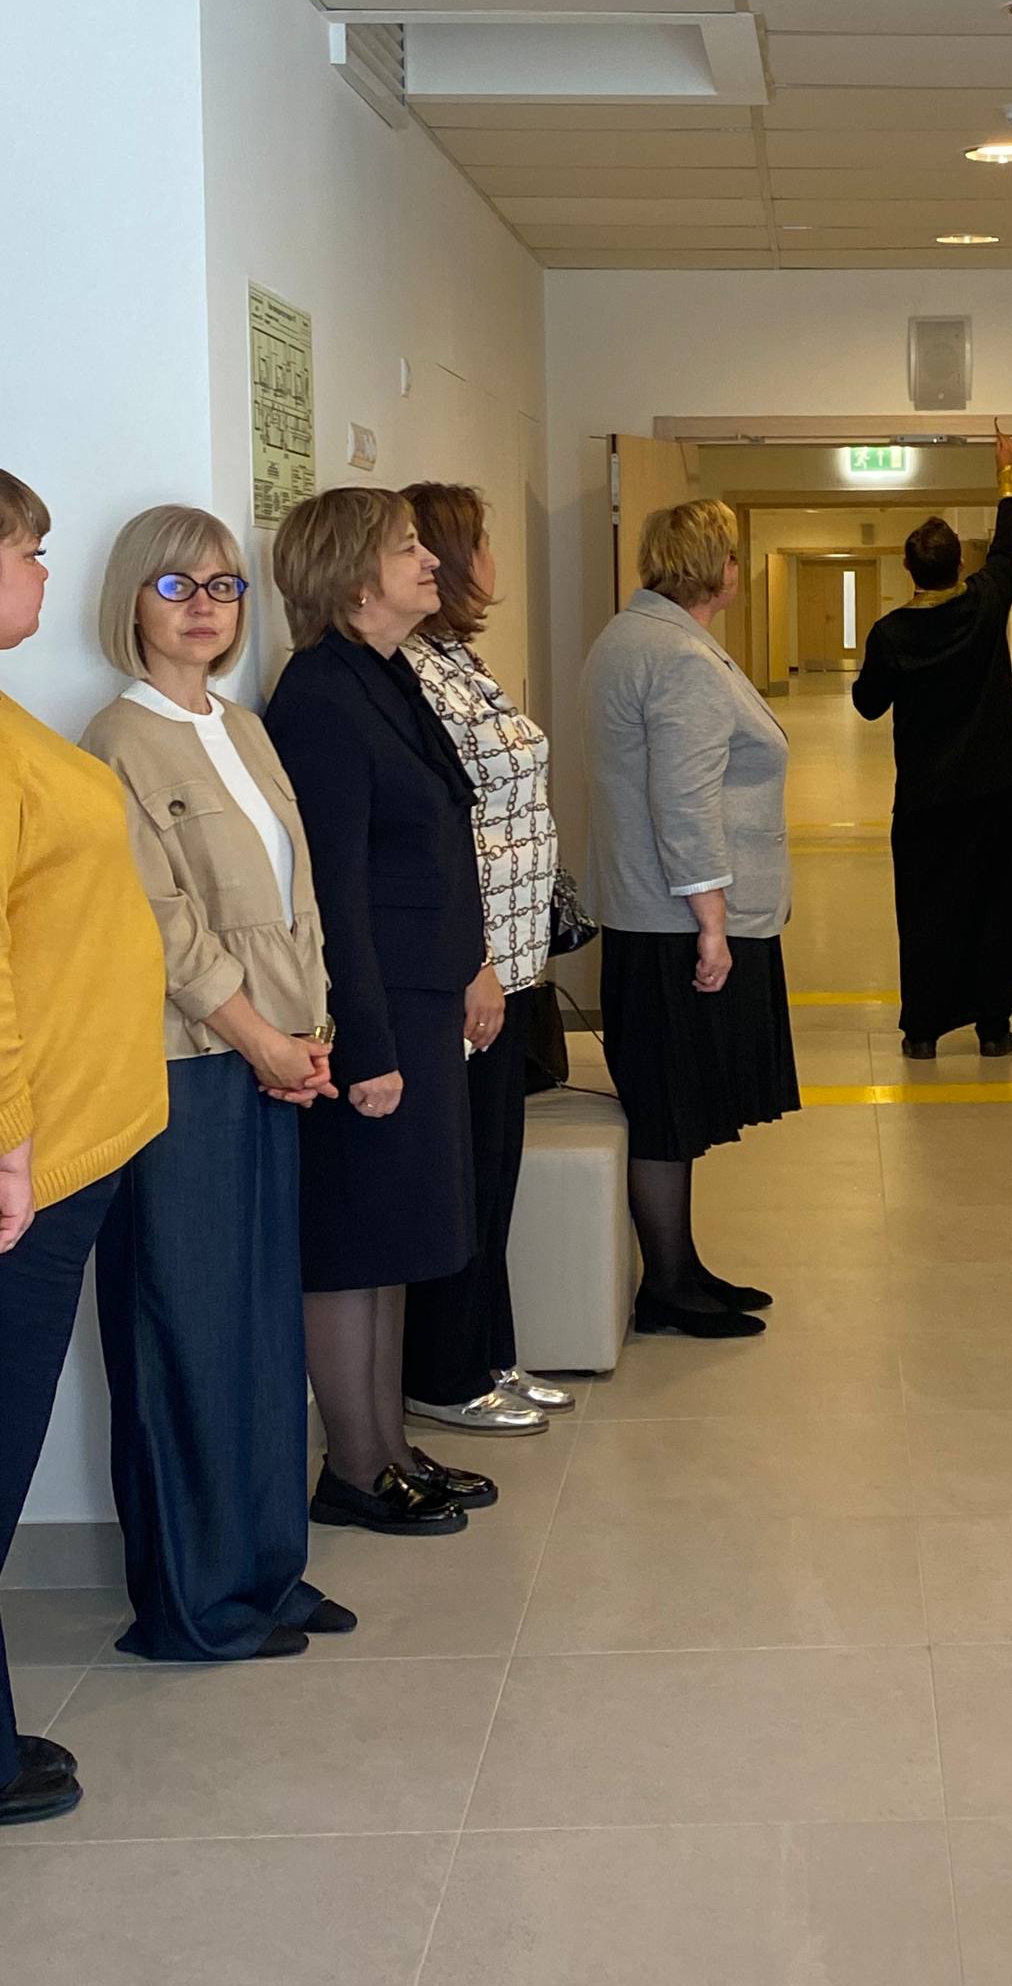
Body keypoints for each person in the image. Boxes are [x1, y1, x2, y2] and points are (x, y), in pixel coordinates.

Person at [83, 508, 354, 1659]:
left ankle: (266, 1570)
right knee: (184, 1329)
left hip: (273, 1060)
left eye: (225, 585)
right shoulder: (118, 740)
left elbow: (297, 899)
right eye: (176, 584)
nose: (204, 605)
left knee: (257, 1327)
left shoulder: (242, 726)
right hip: (188, 1069)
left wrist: (312, 1034)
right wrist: (260, 1039)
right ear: (131, 599)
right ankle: (193, 1604)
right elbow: (166, 930)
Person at [266, 487, 493, 1534]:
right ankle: (354, 1468)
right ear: (354, 576)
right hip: (375, 1007)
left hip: (418, 996)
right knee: (356, 1239)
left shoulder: (383, 674)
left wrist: (468, 965)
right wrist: (363, 1044)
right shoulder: (320, 695)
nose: (430, 561)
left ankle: (389, 1446)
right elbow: (334, 891)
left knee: (396, 1234)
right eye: (407, 549)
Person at [0, 470, 168, 1826]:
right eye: (29, 549)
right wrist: (7, 1144)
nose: (44, 573)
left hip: (70, 1140)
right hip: (28, 1162)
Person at [581, 497, 799, 1341]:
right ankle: (667, 1286)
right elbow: (685, 799)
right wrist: (712, 920)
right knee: (670, 1107)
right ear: (717, 567)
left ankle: (681, 1266)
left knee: (672, 1101)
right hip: (678, 918)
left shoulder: (631, 637)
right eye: (734, 555)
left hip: (646, 908)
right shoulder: (678, 657)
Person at [399, 482, 569, 1439]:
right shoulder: (413, 673)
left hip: (513, 953)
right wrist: (475, 961)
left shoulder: (455, 658)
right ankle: (447, 1371)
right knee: (464, 1173)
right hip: (476, 966)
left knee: (496, 1168)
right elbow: (442, 832)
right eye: (483, 541)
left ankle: (493, 1351)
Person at [852, 426, 1012, 1060]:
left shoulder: (891, 633)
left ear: (908, 569)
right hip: (995, 792)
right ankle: (993, 1028)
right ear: (959, 566)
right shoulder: (985, 604)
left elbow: (868, 704)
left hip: (926, 800)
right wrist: (1008, 473)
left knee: (927, 909)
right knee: (994, 904)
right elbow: (1010, 547)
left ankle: (922, 1030)